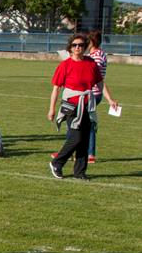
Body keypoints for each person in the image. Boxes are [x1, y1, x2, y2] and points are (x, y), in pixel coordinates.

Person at [48, 33, 118, 180]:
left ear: (85, 47)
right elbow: (56, 89)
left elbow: (100, 83)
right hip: (71, 105)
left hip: (87, 105)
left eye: (80, 45)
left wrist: (110, 100)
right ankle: (57, 162)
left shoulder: (91, 63)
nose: (78, 47)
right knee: (76, 137)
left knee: (85, 138)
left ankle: (79, 172)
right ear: (70, 48)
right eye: (74, 45)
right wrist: (52, 109)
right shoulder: (65, 65)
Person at [86, 30, 109, 164]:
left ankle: (88, 153)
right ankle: (86, 153)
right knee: (84, 122)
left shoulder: (97, 56)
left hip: (93, 93)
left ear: (92, 41)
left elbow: (96, 77)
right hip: (91, 93)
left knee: (82, 122)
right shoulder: (95, 55)